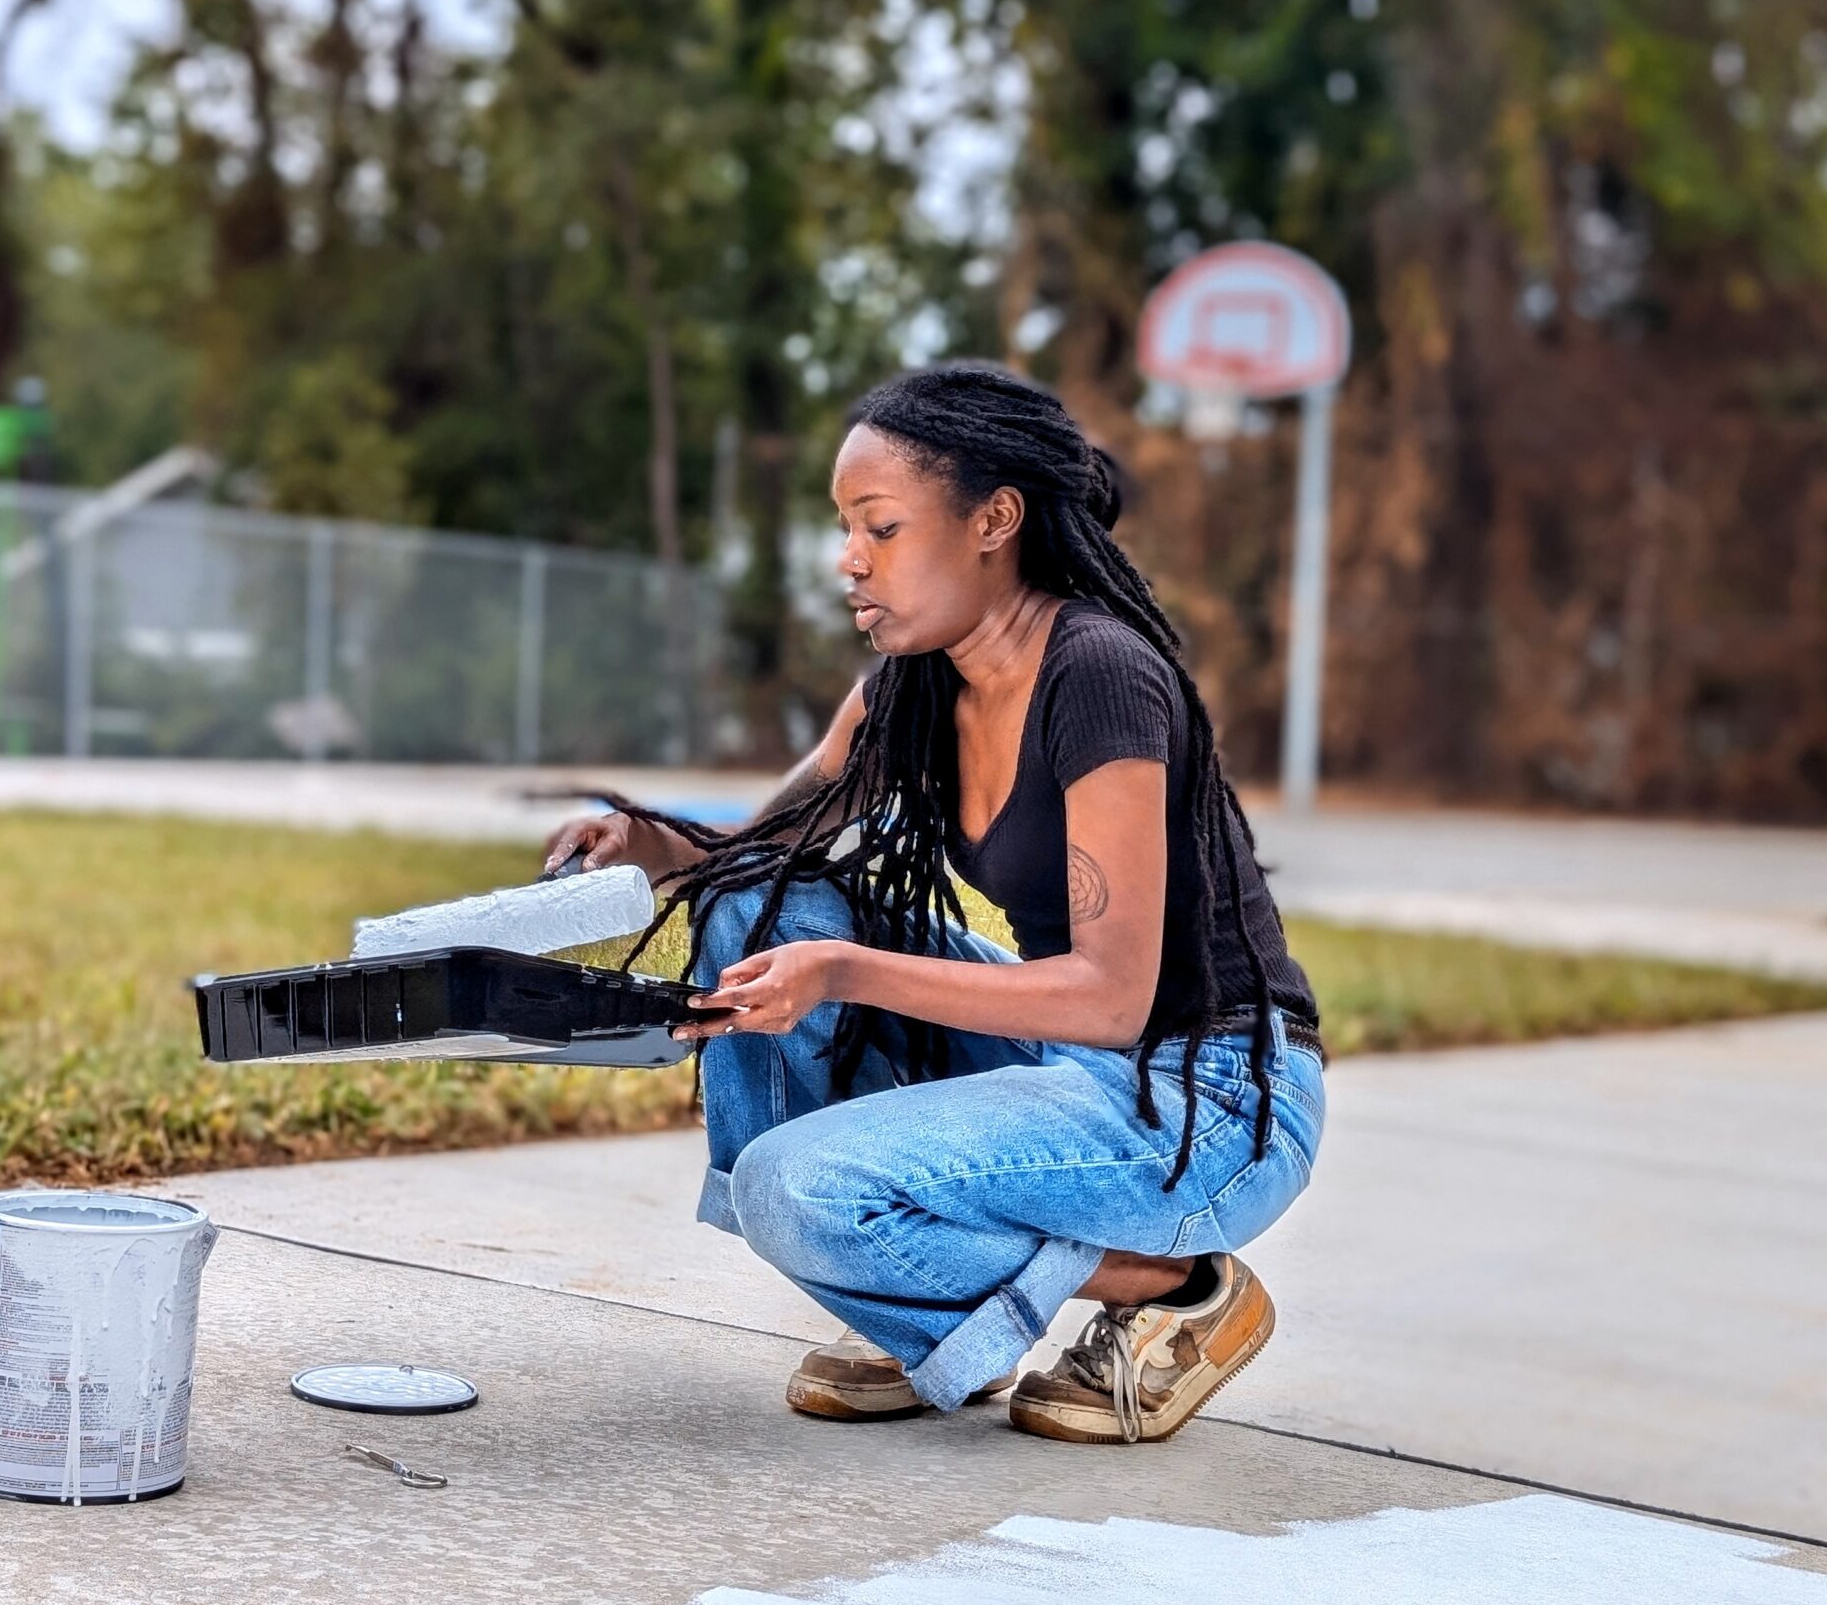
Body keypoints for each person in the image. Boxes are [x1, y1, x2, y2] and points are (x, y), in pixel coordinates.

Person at [541, 362, 1325, 1444]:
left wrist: (846, 971)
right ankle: (924, 1313)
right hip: (1075, 1073)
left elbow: (1108, 998)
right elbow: (765, 844)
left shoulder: (1099, 673)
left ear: (993, 520)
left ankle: (1176, 1285)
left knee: (793, 1186)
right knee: (757, 906)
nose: (848, 557)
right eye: (845, 527)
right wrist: (640, 838)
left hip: (1210, 1094)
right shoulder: (914, 682)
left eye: (882, 526)